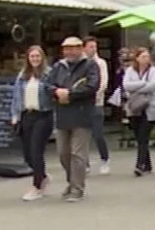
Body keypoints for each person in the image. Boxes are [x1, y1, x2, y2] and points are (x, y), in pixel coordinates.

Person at [48, 36, 100, 202]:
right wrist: (56, 92)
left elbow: (92, 87)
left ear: (80, 49)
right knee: (63, 153)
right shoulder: (58, 66)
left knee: (77, 154)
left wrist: (70, 94)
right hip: (62, 115)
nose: (69, 52)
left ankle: (77, 188)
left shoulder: (90, 65)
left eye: (73, 48)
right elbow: (47, 85)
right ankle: (72, 182)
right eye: (66, 48)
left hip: (82, 115)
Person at [11, 45, 55, 201]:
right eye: (32, 56)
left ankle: (37, 187)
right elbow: (16, 96)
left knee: (36, 150)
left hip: (43, 115)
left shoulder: (48, 74)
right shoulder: (23, 75)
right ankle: (42, 175)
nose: (35, 59)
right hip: (26, 115)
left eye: (37, 56)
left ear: (42, 58)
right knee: (28, 154)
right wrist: (15, 115)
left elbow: (53, 93)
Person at [120, 48, 155, 176]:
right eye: (143, 56)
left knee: (143, 136)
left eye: (147, 56)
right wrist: (143, 84)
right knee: (139, 137)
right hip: (134, 108)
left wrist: (136, 88)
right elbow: (126, 85)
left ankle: (140, 165)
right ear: (137, 58)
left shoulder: (154, 71)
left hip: (149, 108)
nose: (145, 59)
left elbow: (153, 85)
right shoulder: (130, 71)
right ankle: (147, 164)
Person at [84, 37, 113, 175]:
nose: (93, 49)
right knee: (82, 135)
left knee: (97, 134)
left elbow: (103, 82)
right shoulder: (81, 63)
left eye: (95, 47)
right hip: (82, 104)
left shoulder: (101, 63)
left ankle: (104, 159)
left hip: (96, 102)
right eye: (90, 46)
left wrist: (95, 95)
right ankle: (85, 163)